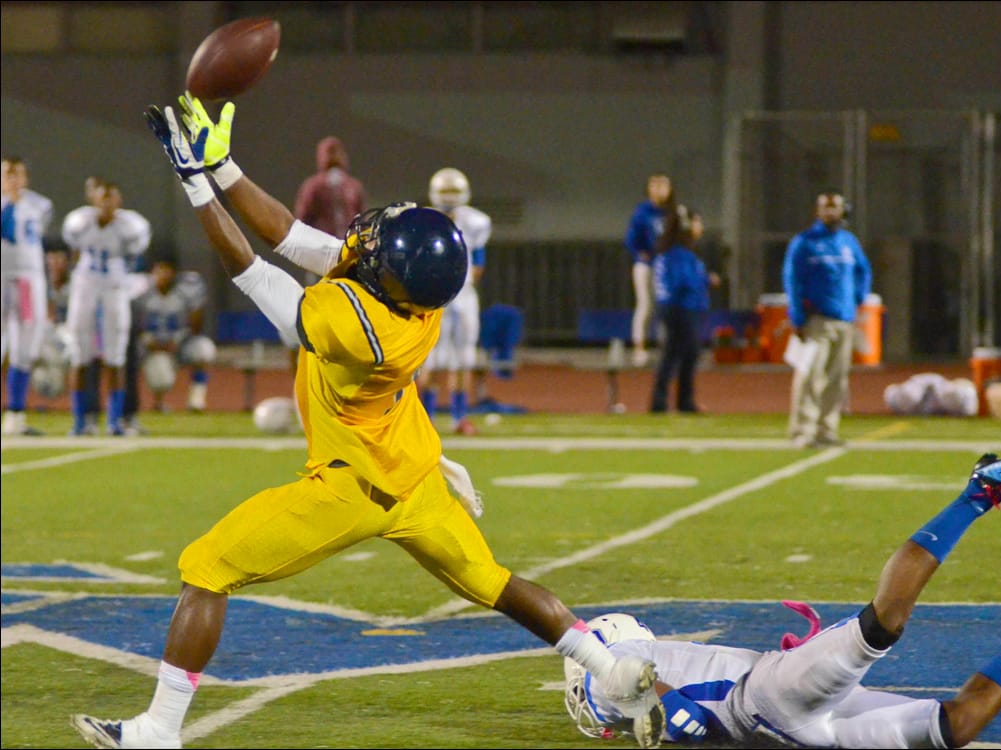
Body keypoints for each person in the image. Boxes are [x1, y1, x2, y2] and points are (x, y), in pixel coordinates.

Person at [68, 95, 663, 750]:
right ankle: (611, 669)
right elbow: (292, 235)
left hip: (350, 488)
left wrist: (194, 184)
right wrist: (224, 168)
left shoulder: (359, 327)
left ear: (390, 275)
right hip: (414, 474)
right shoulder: (420, 301)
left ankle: (158, 730)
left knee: (206, 566)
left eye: (382, 241)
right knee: (495, 583)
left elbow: (251, 270)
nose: (371, 235)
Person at [564, 453, 1001, 749]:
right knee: (956, 727)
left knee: (882, 625)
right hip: (799, 730)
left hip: (771, 695)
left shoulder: (607, 667)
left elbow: (642, 689)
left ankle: (977, 495)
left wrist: (669, 710)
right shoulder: (634, 671)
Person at [61, 180, 151, 437]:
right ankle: (80, 421)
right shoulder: (79, 221)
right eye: (103, 198)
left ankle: (115, 421)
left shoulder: (131, 225)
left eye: (111, 198)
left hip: (114, 285)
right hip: (85, 284)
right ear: (94, 200)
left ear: (119, 202)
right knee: (79, 354)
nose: (107, 204)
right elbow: (74, 249)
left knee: (115, 355)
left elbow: (135, 255)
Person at [782, 190, 872, 448]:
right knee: (810, 375)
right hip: (816, 320)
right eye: (826, 207)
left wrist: (858, 298)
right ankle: (802, 430)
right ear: (818, 211)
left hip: (844, 319)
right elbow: (792, 280)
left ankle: (826, 429)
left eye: (835, 206)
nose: (831, 212)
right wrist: (797, 316)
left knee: (837, 379)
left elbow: (863, 270)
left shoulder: (848, 242)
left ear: (844, 210)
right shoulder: (804, 242)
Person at [416, 167, 491, 435]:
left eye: (453, 191)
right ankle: (426, 420)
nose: (449, 197)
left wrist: (461, 285)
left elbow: (478, 263)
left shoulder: (476, 222)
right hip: (435, 296)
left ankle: (460, 418)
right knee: (432, 359)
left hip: (463, 295)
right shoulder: (424, 221)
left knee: (464, 357)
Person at [1, 155, 55, 436]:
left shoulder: (40, 204)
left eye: (16, 173)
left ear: (24, 177)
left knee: (25, 347)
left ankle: (15, 416)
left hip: (26, 280)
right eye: (6, 173)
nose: (11, 179)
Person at [649, 206, 720, 414]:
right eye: (697, 222)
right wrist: (706, 280)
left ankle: (666, 402)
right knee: (686, 353)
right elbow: (683, 282)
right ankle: (678, 401)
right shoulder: (680, 254)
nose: (701, 227)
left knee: (674, 354)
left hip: (673, 308)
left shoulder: (673, 252)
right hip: (681, 308)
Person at [133, 254, 215, 413]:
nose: (163, 274)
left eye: (167, 270)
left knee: (204, 349)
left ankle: (196, 400)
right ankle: (158, 403)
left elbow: (196, 324)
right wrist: (149, 341)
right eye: (159, 269)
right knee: (161, 379)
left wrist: (177, 340)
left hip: (180, 342)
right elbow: (134, 324)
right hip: (152, 347)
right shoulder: (141, 290)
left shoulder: (187, 288)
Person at [293, 135, 366, 286]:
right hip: (323, 252)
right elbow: (302, 220)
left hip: (348, 252)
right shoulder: (314, 186)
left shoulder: (352, 186)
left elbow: (362, 220)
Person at [625, 173, 675, 368]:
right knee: (645, 304)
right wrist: (640, 252)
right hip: (645, 265)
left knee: (665, 306)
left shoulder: (671, 212)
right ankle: (640, 349)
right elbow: (631, 237)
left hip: (665, 266)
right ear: (649, 189)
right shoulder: (642, 212)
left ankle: (665, 348)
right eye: (656, 185)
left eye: (664, 185)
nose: (660, 189)